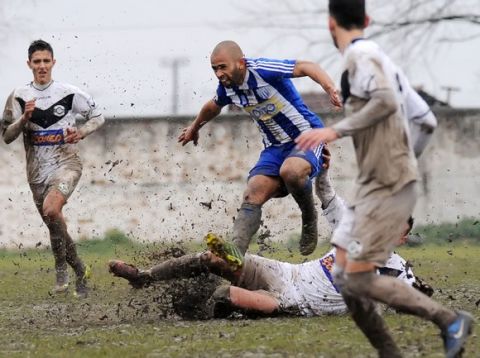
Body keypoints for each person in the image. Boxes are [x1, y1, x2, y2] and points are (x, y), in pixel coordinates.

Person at [295, 1, 473, 357]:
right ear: (367, 19)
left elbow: (386, 101)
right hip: (377, 185)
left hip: (384, 186)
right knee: (347, 280)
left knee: (356, 278)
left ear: (331, 24)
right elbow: (426, 120)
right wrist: (405, 165)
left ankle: (450, 320)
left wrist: (336, 132)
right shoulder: (382, 61)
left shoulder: (360, 57)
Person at [109, 164, 432, 318]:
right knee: (215, 258)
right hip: (285, 273)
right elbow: (326, 194)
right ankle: (145, 278)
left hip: (294, 303)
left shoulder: (397, 271)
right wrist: (321, 168)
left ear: (401, 237)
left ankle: (195, 310)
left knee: (223, 297)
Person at [178, 40, 342, 260]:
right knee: (252, 192)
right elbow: (212, 106)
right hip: (274, 148)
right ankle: (234, 255)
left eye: (222, 67)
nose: (218, 73)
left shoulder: (262, 69)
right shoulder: (227, 88)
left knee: (291, 171)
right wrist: (194, 127)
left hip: (307, 136)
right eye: (214, 69)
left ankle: (309, 217)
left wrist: (329, 87)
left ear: (241, 63)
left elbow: (305, 66)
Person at [1, 40, 105, 298]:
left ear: (53, 63)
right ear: (29, 65)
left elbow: (99, 117)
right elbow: (6, 136)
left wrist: (80, 133)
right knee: (54, 222)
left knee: (51, 209)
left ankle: (61, 268)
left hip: (66, 163)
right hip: (36, 172)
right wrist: (24, 119)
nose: (42, 66)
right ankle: (80, 269)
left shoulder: (68, 92)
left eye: (46, 61)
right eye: (37, 62)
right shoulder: (18, 96)